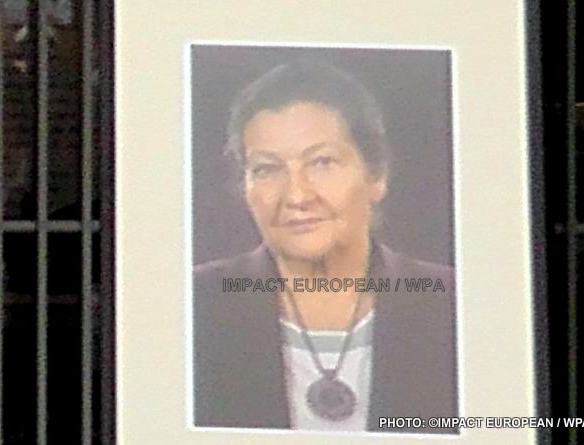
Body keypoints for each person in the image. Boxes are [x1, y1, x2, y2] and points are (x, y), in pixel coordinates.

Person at [192, 60, 458, 434]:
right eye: (267, 169)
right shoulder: (194, 304)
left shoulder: (453, 303)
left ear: (376, 176)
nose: (297, 196)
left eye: (322, 162)